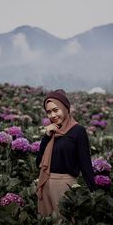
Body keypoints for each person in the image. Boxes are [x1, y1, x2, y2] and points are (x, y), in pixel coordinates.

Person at [36, 89, 96, 217]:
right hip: (46, 183)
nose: (52, 115)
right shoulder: (51, 131)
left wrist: (95, 192)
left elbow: (85, 164)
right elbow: (38, 163)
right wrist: (46, 136)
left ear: (65, 108)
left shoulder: (78, 131)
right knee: (47, 224)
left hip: (65, 187)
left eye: (56, 110)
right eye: (49, 112)